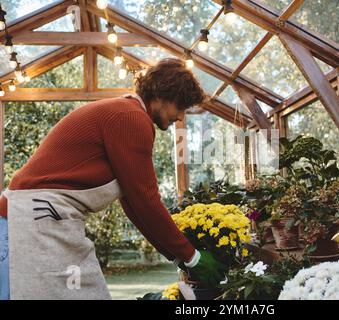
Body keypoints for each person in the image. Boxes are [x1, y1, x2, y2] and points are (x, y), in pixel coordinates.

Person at [0, 58, 225, 300]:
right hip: (28, 223)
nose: (180, 116)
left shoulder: (126, 112)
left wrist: (179, 255)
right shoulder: (132, 118)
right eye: (180, 106)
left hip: (36, 219)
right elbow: (146, 200)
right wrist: (192, 257)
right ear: (161, 94)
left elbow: (134, 205)